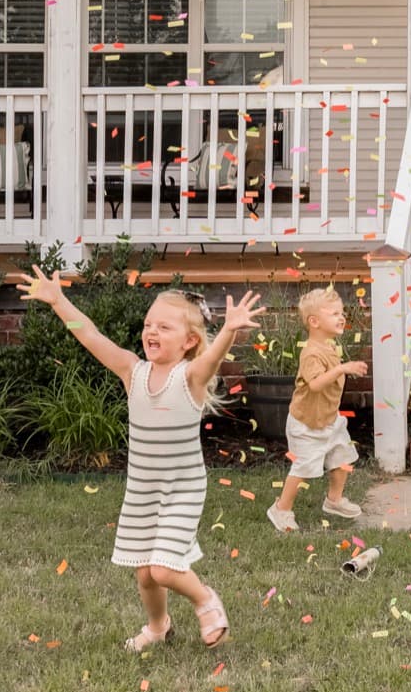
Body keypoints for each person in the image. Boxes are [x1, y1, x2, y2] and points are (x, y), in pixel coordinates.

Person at [16, 271, 260, 651]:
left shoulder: (190, 377)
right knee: (145, 574)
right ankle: (158, 626)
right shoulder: (133, 371)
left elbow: (212, 360)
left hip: (182, 488)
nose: (151, 331)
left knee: (163, 570)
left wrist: (228, 331)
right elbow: (90, 335)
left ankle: (205, 600)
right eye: (148, 324)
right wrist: (58, 302)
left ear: (189, 341)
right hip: (143, 489)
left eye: (164, 327)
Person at [266, 287, 369, 532]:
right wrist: (342, 369)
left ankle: (334, 500)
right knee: (304, 466)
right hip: (306, 424)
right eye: (334, 313)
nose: (341, 317)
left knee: (343, 456)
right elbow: (315, 385)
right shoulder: (311, 353)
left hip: (329, 419)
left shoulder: (329, 347)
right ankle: (281, 509)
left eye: (341, 313)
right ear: (314, 322)